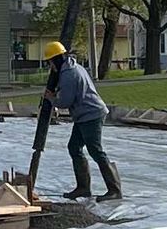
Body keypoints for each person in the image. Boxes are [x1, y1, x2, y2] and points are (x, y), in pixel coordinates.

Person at [46, 40, 121, 201]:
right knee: (74, 147)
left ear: (56, 60)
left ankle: (114, 190)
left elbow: (65, 102)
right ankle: (83, 188)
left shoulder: (69, 74)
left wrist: (51, 98)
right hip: (84, 115)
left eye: (50, 63)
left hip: (91, 114)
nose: (50, 67)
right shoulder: (73, 67)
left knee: (95, 150)